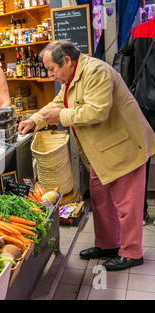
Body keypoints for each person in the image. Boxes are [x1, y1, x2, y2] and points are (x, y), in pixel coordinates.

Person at [18, 40, 155, 271]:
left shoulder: (96, 71)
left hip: (123, 148)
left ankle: (132, 253)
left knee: (127, 204)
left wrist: (60, 117)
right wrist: (35, 119)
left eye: (52, 69)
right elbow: (57, 102)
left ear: (68, 61)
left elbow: (97, 111)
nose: (51, 74)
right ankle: (108, 244)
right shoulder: (71, 77)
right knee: (101, 201)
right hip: (100, 153)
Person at [118, 16, 155, 225]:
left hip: (140, 103)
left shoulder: (140, 29)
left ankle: (140, 213)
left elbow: (124, 56)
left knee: (142, 159)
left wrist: (132, 87)